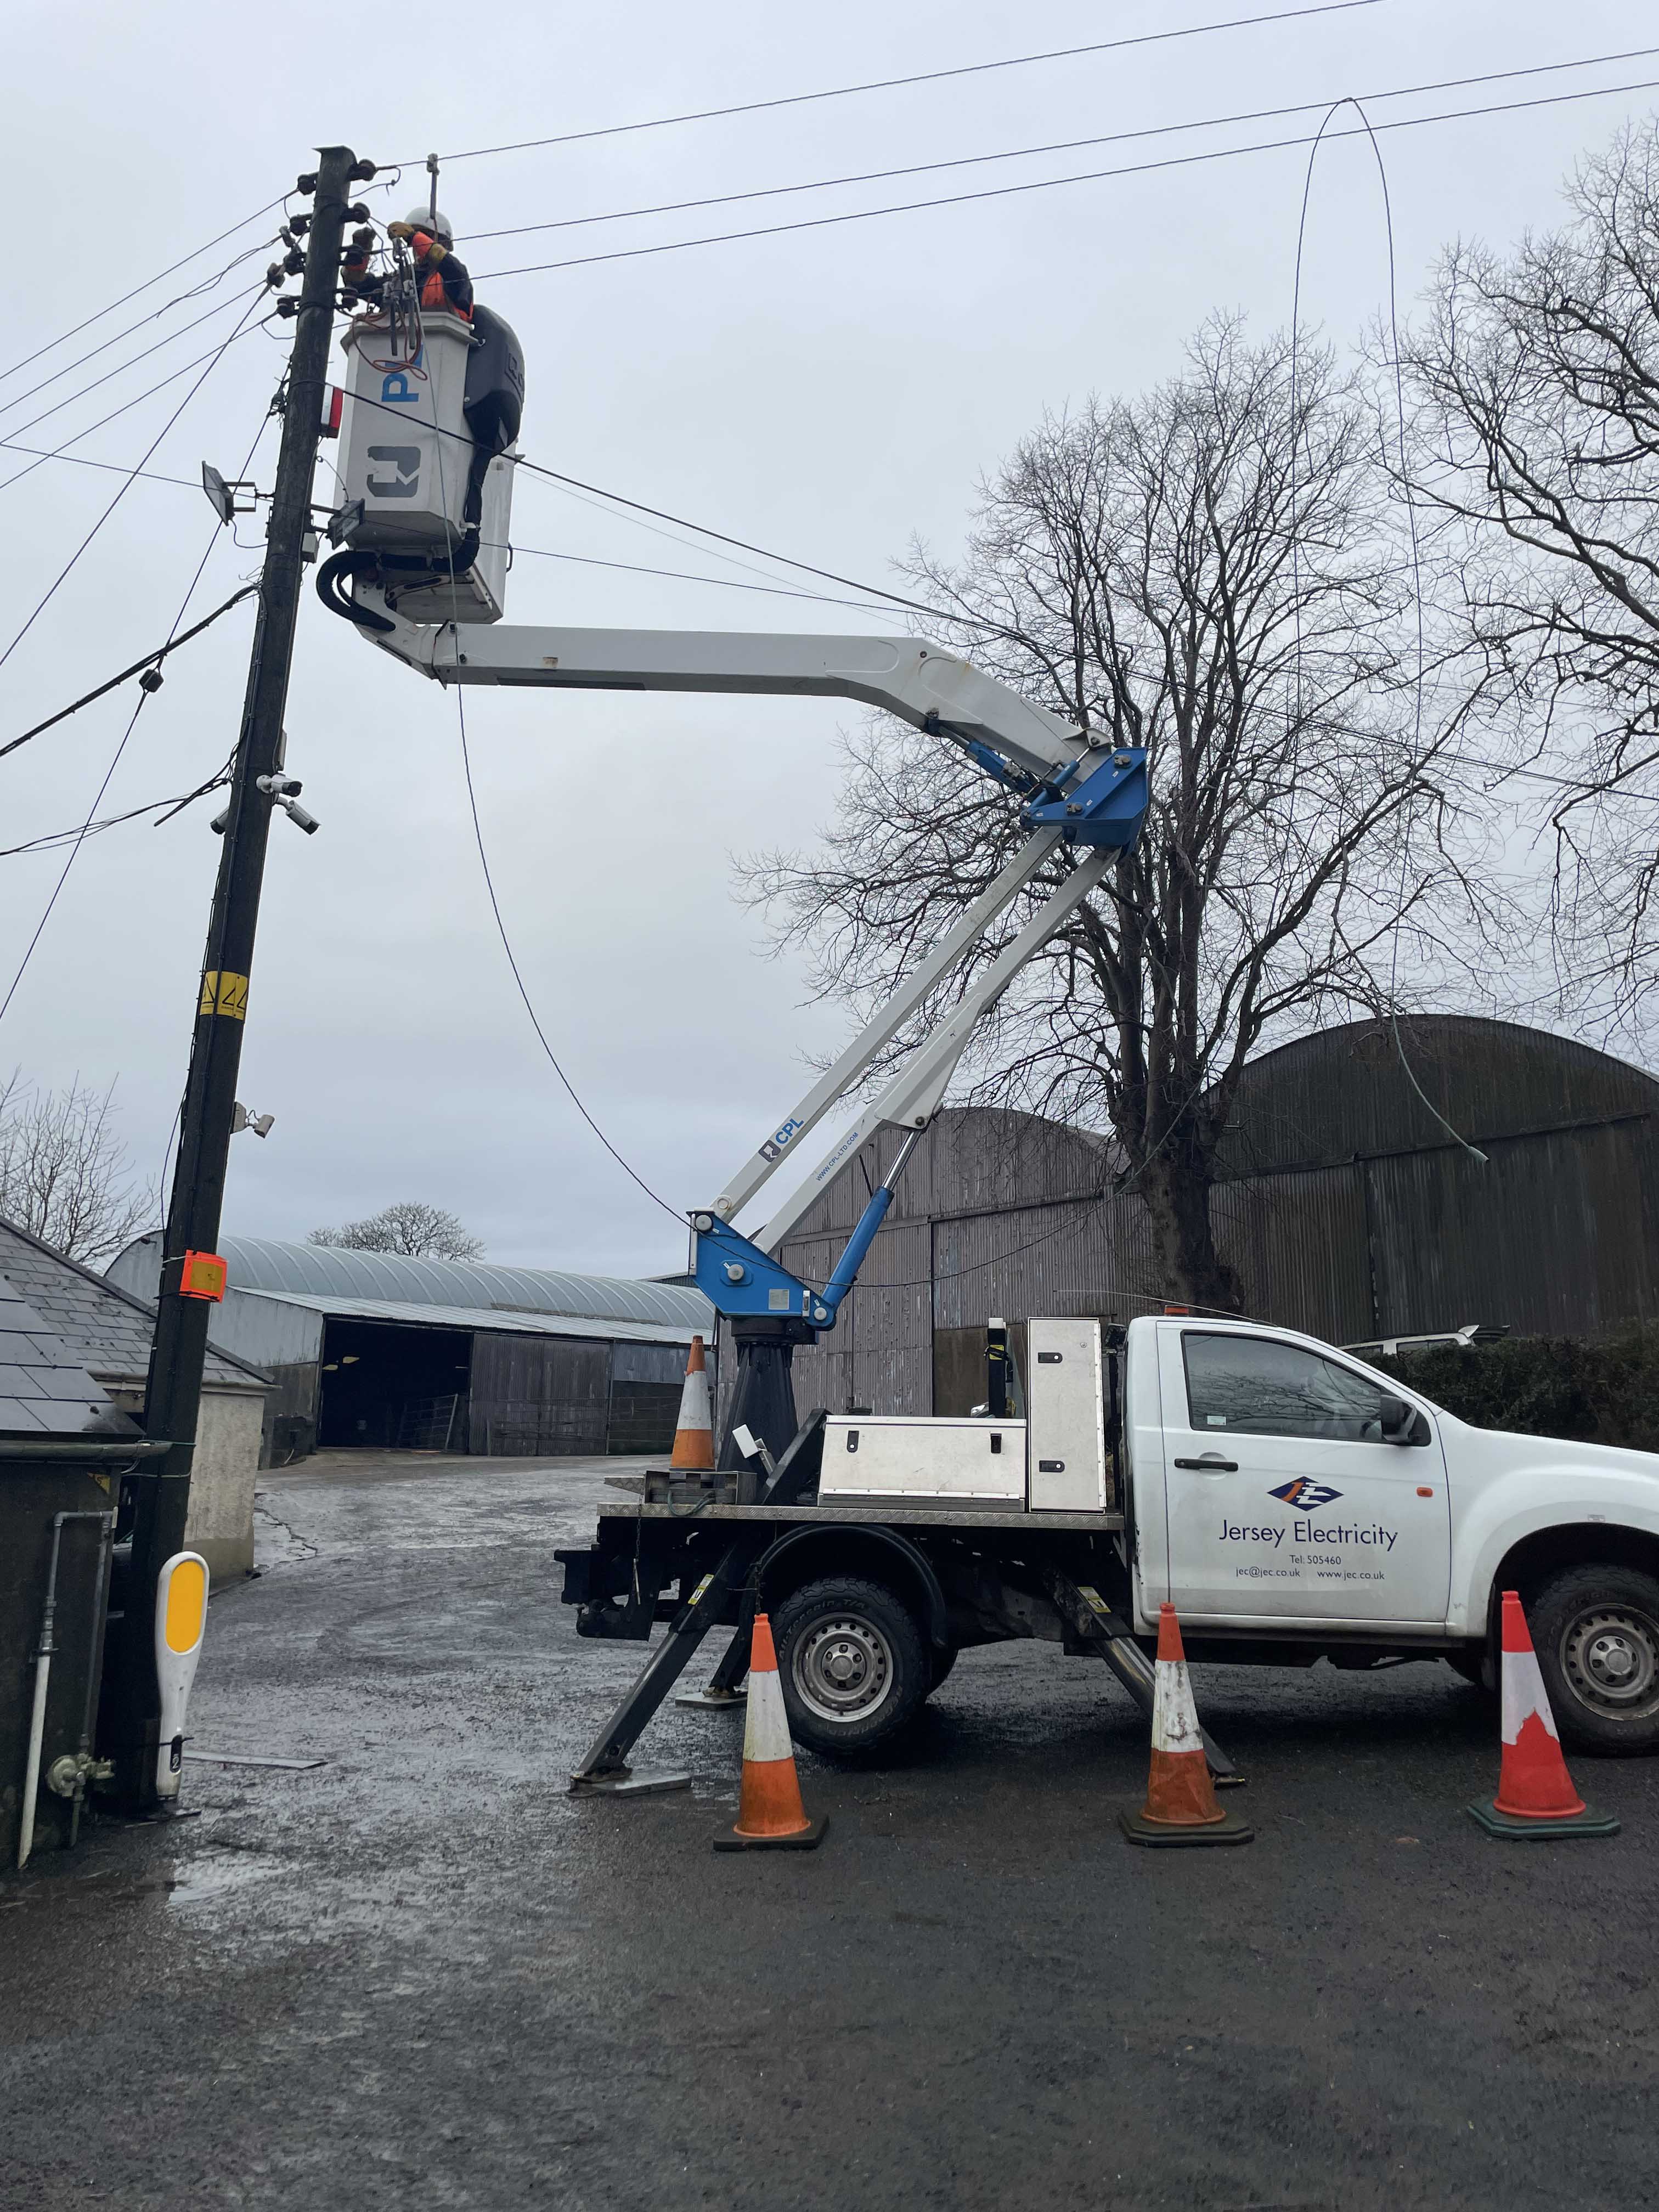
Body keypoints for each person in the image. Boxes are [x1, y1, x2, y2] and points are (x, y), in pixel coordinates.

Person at [343, 208, 473, 320]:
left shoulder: (454, 279)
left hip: (443, 347)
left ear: (444, 243)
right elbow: (356, 284)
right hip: (394, 348)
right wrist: (360, 254)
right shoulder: (398, 281)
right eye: (415, 241)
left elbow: (450, 267)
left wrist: (414, 237)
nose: (416, 247)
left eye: (426, 236)